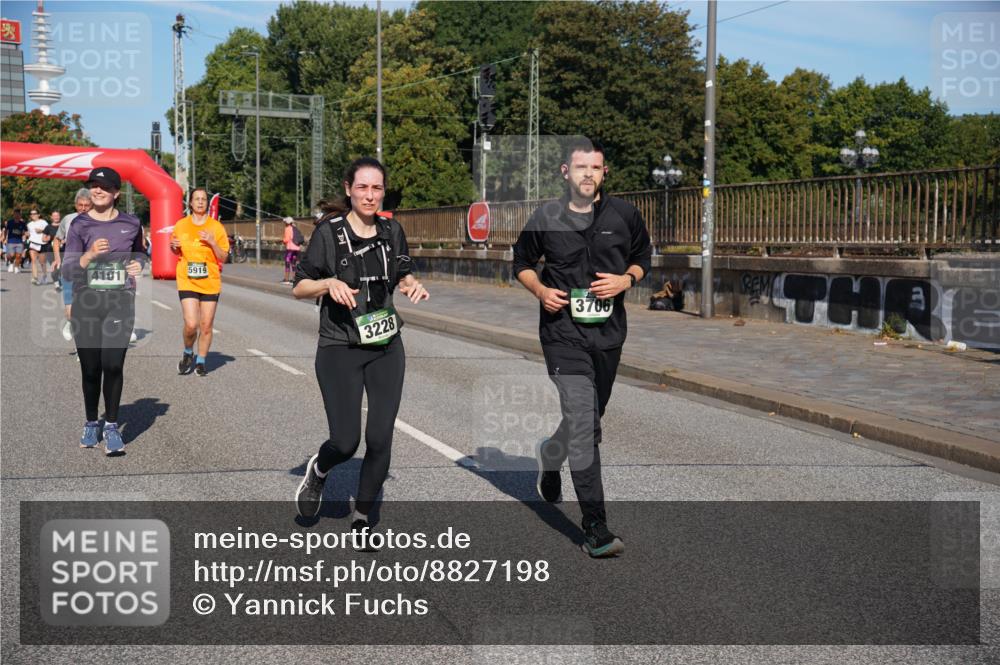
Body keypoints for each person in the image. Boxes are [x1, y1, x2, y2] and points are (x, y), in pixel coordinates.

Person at [512, 138, 652, 558]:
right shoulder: (546, 216)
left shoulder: (625, 214)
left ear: (604, 172)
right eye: (580, 167)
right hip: (562, 335)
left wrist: (626, 280)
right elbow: (520, 262)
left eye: (595, 167)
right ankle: (595, 528)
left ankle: (550, 454)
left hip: (608, 335)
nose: (588, 174)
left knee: (591, 414)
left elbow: (645, 256)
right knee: (586, 425)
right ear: (565, 172)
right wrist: (539, 289)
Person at [292, 157, 429, 538]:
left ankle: (364, 517)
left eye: (377, 188)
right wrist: (327, 284)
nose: (370, 195)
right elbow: (299, 286)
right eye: (363, 187)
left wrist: (409, 284)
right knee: (346, 441)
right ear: (349, 189)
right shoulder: (328, 233)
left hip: (386, 345)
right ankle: (319, 470)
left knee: (381, 437)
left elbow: (403, 271)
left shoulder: (391, 230)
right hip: (339, 347)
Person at [63, 167, 145, 455]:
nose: (97, 190)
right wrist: (88, 255)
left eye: (103, 186)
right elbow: (68, 269)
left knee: (112, 364)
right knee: (90, 369)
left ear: (116, 193)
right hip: (87, 303)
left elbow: (140, 252)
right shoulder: (79, 225)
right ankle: (90, 422)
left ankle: (111, 426)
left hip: (120, 302)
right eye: (93, 186)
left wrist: (139, 264)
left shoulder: (132, 222)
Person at [170, 188, 229, 376]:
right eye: (197, 199)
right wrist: (173, 247)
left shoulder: (216, 227)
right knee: (191, 324)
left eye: (204, 199)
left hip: (210, 281)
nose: (201, 202)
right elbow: (175, 249)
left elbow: (224, 257)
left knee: (206, 325)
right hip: (187, 279)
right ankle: (188, 352)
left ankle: (201, 361)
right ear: (191, 203)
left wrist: (212, 242)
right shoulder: (181, 225)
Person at [53, 190, 93, 342]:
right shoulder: (68, 219)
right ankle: (70, 323)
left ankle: (82, 348)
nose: (83, 208)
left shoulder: (98, 220)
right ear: (75, 205)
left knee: (90, 308)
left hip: (91, 270)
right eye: (80, 205)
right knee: (71, 312)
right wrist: (57, 259)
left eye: (86, 205)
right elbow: (56, 240)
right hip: (70, 268)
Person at [26, 208, 50, 285]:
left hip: (42, 244)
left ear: (38, 215)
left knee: (42, 262)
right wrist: (26, 235)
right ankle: (35, 277)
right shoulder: (29, 224)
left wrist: (41, 231)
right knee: (33, 260)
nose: (33, 215)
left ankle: (44, 276)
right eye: (31, 214)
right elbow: (28, 233)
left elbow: (49, 231)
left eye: (34, 213)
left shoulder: (43, 222)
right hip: (32, 243)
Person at [4, 208, 27, 273]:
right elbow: (6, 231)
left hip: (19, 241)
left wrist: (26, 234)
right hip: (11, 241)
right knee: (11, 255)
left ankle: (16, 267)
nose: (17, 215)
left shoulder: (22, 223)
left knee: (19, 255)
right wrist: (5, 238)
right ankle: (11, 264)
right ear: (13, 214)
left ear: (20, 215)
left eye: (18, 214)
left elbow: (25, 231)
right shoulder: (9, 222)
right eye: (15, 214)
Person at [282, 217, 303, 284]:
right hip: (297, 249)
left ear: (287, 223)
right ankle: (293, 279)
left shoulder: (287, 228)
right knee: (294, 264)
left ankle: (286, 279)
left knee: (287, 263)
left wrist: (283, 241)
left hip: (290, 248)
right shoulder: (295, 228)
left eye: (285, 222)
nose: (284, 223)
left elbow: (286, 239)